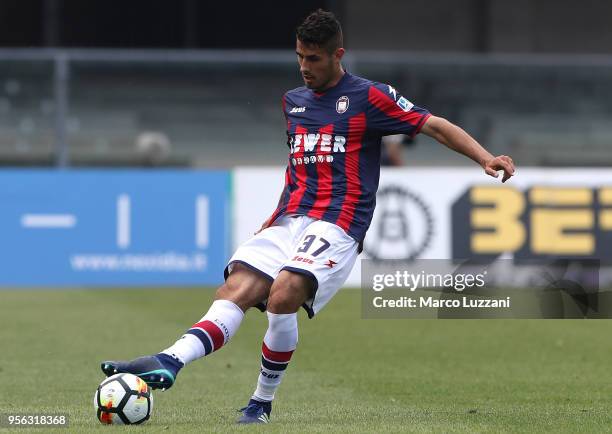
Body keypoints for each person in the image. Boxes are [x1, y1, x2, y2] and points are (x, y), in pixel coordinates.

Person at [100, 9, 515, 424]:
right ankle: (169, 360)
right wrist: (278, 214)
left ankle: (261, 402)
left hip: (339, 220)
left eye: (313, 58)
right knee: (235, 290)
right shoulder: (293, 102)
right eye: (299, 56)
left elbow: (435, 125)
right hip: (289, 218)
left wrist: (484, 158)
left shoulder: (369, 97)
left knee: (283, 294)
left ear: (338, 55)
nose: (304, 67)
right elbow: (301, 164)